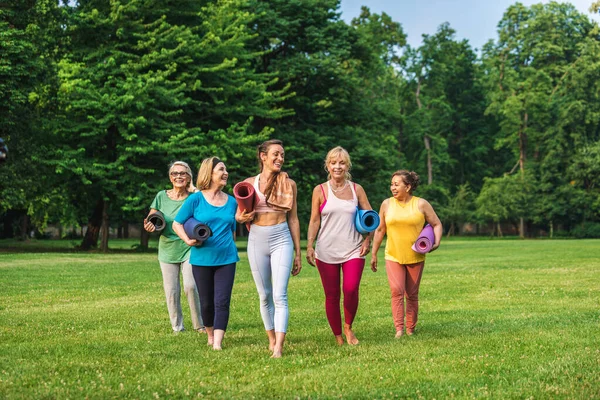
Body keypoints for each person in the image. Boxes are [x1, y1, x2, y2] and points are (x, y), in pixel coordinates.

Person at [236, 139, 302, 358]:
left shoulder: (289, 184)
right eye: (276, 154)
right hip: (257, 239)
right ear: (263, 156)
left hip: (281, 237)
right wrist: (241, 216)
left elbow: (293, 219)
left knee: (280, 294)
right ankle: (271, 339)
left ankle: (279, 347)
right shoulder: (248, 183)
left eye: (282, 155)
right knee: (264, 295)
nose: (280, 159)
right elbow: (238, 215)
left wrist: (298, 252)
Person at [306, 146, 373, 346]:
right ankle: (338, 335)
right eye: (333, 162)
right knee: (332, 295)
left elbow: (370, 217)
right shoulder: (320, 190)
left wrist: (367, 239)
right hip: (326, 250)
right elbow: (314, 221)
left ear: (347, 166)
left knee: (351, 289)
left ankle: (348, 327)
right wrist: (310, 245)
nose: (338, 166)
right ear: (327, 165)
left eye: (342, 163)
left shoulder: (356, 189)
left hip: (353, 248)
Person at [173, 157, 239, 350]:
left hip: (226, 259)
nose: (225, 173)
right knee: (207, 302)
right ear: (209, 173)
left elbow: (232, 230)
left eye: (226, 170)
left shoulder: (232, 202)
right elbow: (177, 223)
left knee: (222, 301)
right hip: (201, 258)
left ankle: (217, 342)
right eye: (221, 170)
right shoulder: (195, 199)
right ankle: (209, 334)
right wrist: (188, 240)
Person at [370, 170, 442, 338]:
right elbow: (380, 230)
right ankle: (399, 329)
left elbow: (436, 224)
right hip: (393, 254)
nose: (392, 188)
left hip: (416, 256)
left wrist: (436, 242)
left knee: (412, 294)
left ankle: (410, 328)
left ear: (408, 187)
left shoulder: (421, 204)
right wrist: (373, 253)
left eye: (396, 184)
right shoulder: (386, 204)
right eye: (391, 184)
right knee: (396, 290)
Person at [143, 161, 204, 334]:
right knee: (171, 290)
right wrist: (150, 226)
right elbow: (152, 217)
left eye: (183, 173)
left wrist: (195, 190)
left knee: (190, 286)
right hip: (167, 249)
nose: (178, 176)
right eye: (175, 173)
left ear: (189, 177)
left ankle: (199, 325)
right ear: (170, 177)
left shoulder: (194, 197)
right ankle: (177, 327)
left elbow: (204, 213)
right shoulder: (161, 196)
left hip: (189, 246)